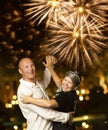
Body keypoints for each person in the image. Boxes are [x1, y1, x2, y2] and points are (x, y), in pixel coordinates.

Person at [21, 57, 81, 130]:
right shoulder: (66, 90)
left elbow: (50, 104)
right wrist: (50, 67)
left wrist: (30, 99)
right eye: (65, 80)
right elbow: (59, 82)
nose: (66, 84)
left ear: (74, 87)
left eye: (70, 82)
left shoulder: (66, 95)